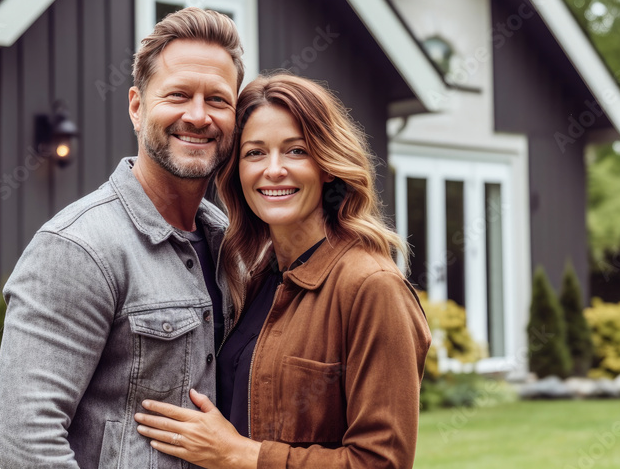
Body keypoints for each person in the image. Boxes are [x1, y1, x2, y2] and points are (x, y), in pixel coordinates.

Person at [134, 74, 432, 468]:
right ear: (237, 171)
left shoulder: (371, 287)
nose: (273, 170)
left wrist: (241, 455)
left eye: (296, 151)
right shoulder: (258, 278)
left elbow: (382, 462)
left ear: (327, 165)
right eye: (255, 153)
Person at [0, 8, 245, 469]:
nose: (197, 115)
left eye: (218, 100)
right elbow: (25, 441)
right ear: (136, 106)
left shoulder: (231, 245)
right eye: (178, 95)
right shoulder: (78, 248)